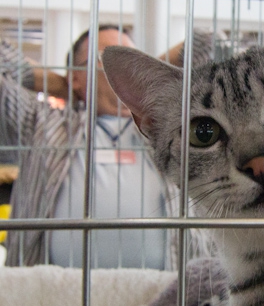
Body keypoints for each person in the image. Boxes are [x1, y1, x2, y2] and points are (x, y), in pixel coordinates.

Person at [0, 25, 219, 268]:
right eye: (105, 59)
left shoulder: (168, 127)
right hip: (51, 295)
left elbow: (210, 42)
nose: (122, 70)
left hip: (170, 292)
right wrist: (59, 83)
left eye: (129, 57)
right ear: (75, 76)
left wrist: (137, 74)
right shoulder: (43, 122)